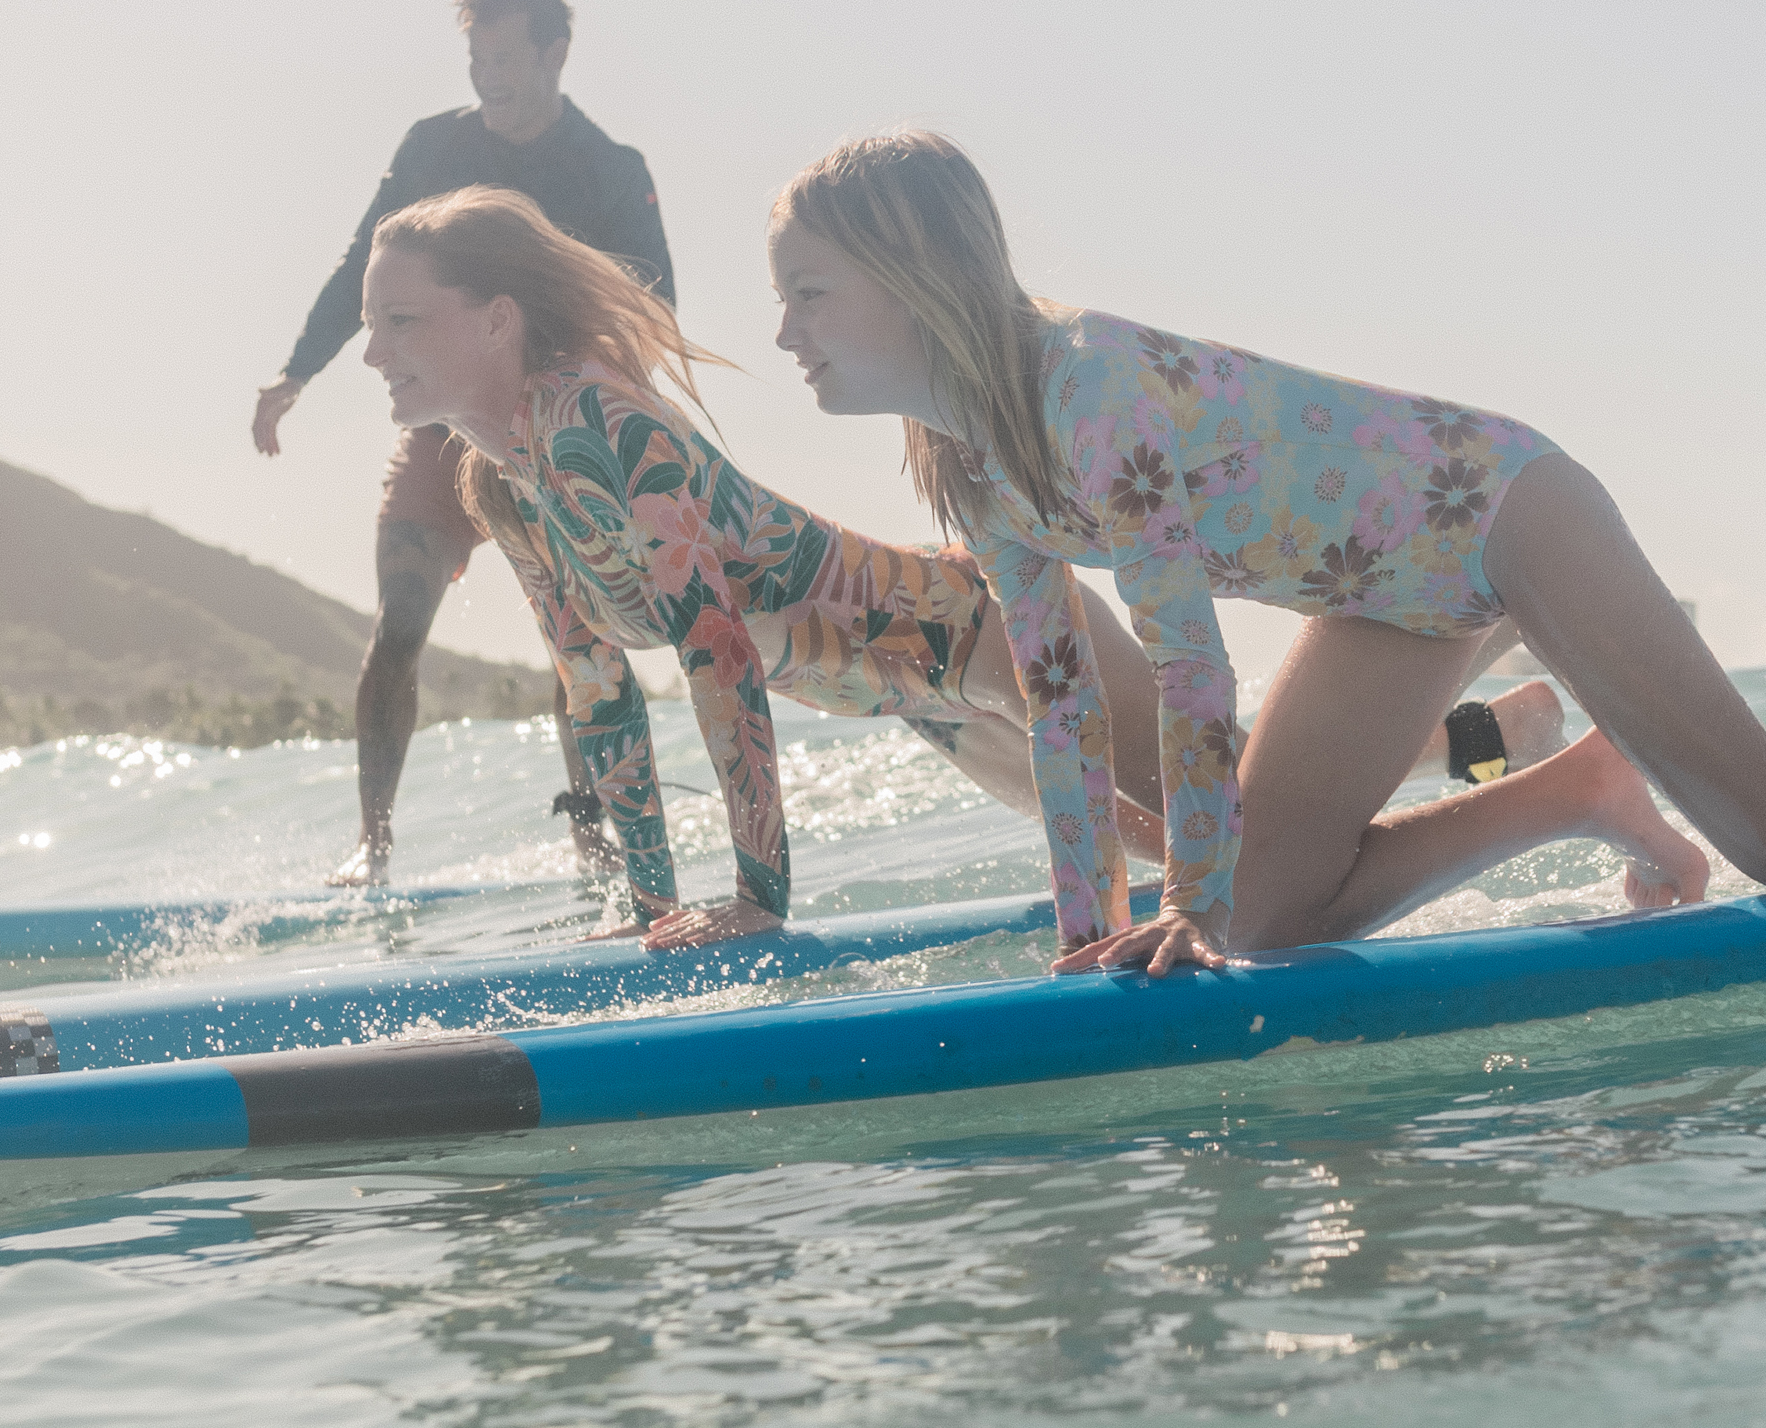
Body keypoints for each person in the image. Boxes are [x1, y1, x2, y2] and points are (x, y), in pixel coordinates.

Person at [762, 131, 1766, 978]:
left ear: (910, 280)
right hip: (1385, 595)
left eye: (812, 295)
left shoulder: (1083, 394)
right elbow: (1065, 705)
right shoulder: (974, 467)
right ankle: (1582, 792)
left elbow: (1190, 682)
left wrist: (1183, 913)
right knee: (1270, 921)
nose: (787, 336)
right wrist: (1097, 935)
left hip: (1501, 512)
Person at [356, 186, 1178, 947]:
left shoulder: (595, 420)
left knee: (1246, 809)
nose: (372, 355)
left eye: (400, 320)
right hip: (924, 699)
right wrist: (654, 909)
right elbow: (596, 688)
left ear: (498, 320)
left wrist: (758, 898)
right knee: (1179, 851)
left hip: (983, 628)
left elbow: (716, 647)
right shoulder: (504, 484)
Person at [252, 0, 678, 886]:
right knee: (399, 623)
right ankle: (374, 842)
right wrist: (298, 368)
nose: (488, 76)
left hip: (556, 438)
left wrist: (630, 439)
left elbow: (653, 311)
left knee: (582, 640)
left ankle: (597, 837)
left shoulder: (610, 171)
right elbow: (361, 256)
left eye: (505, 57)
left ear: (555, 52)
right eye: (476, 57)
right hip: (445, 431)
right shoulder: (432, 147)